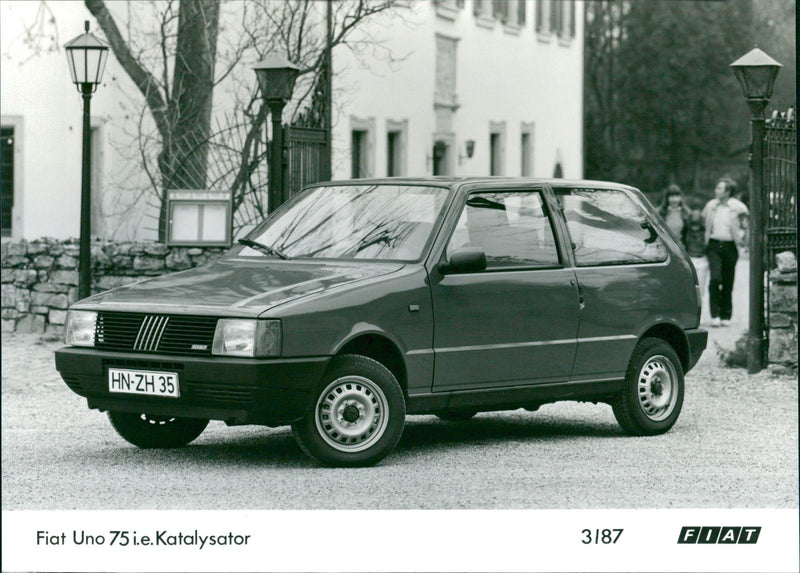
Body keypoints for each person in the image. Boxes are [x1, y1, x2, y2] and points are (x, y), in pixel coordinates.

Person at [702, 177, 748, 326]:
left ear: (727, 192)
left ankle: (725, 315)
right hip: (714, 245)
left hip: (730, 246)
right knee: (715, 278)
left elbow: (747, 226)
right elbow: (704, 223)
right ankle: (714, 314)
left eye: (719, 189)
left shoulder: (738, 207)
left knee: (728, 281)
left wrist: (743, 241)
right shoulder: (710, 206)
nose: (716, 190)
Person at [684, 208, 708, 308]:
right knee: (689, 289)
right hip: (690, 260)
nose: (695, 227)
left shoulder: (705, 234)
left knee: (700, 290)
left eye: (697, 224)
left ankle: (699, 312)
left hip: (702, 260)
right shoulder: (686, 233)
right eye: (693, 224)